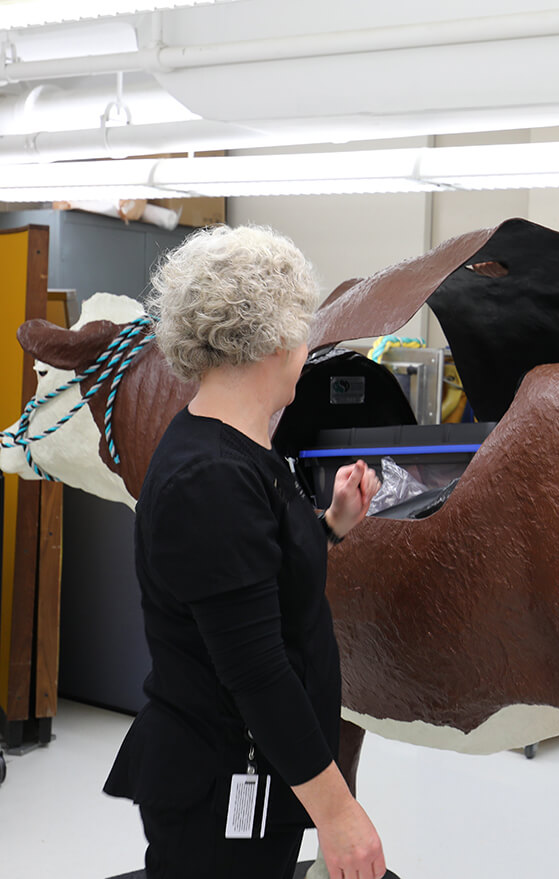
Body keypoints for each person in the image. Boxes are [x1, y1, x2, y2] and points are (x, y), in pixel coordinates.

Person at [103, 225, 388, 879]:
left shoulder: (240, 449)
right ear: (277, 339)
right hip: (221, 790)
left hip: (262, 776)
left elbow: (258, 575)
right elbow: (256, 670)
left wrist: (333, 523)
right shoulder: (211, 479)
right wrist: (339, 813)